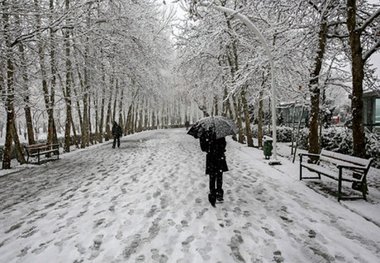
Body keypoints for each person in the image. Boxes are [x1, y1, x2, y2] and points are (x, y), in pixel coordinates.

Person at [199, 128, 228, 206]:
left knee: (212, 177)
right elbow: (224, 144)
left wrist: (209, 147)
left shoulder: (205, 133)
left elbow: (203, 147)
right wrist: (220, 148)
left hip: (211, 157)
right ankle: (219, 194)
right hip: (219, 156)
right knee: (219, 176)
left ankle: (213, 194)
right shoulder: (220, 132)